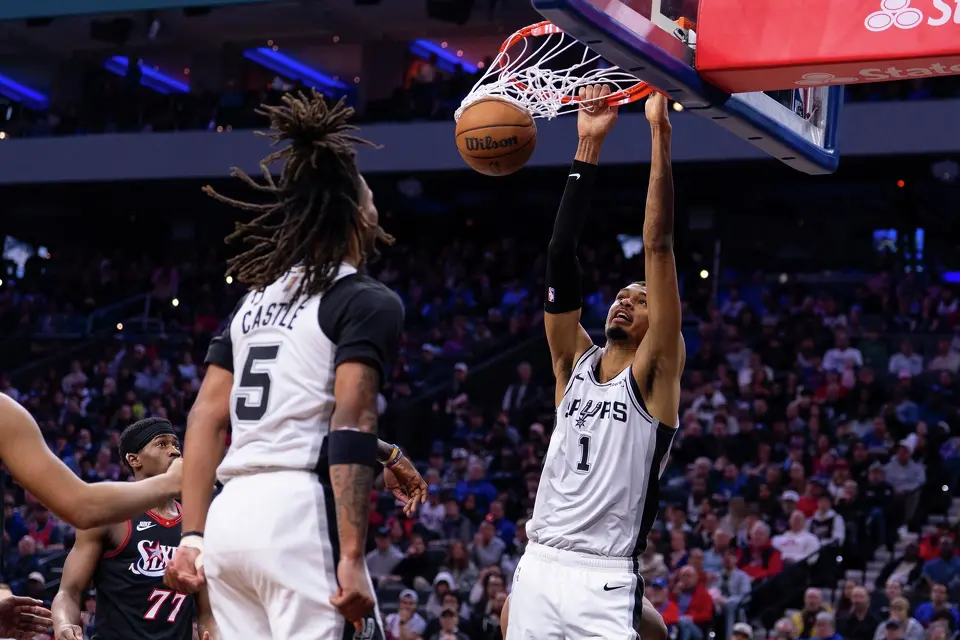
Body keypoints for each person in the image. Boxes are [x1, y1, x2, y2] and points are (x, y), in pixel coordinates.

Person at [162, 90, 427, 639]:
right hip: (298, 514)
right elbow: (350, 424)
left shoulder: (250, 303)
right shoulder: (365, 299)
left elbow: (206, 418)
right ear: (358, 214)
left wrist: (192, 536)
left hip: (230, 518)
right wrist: (352, 554)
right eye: (371, 196)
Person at [505, 87, 682, 640]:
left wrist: (659, 133)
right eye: (620, 295)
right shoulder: (572, 362)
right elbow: (561, 255)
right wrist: (587, 146)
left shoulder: (655, 373)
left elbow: (658, 246)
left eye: (641, 297)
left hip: (604, 576)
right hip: (539, 560)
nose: (625, 300)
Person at [52, 418, 217, 640]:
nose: (174, 452)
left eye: (176, 445)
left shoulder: (197, 524)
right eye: (162, 444)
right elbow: (68, 592)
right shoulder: (112, 516)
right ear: (134, 459)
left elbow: (207, 612)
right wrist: (63, 624)